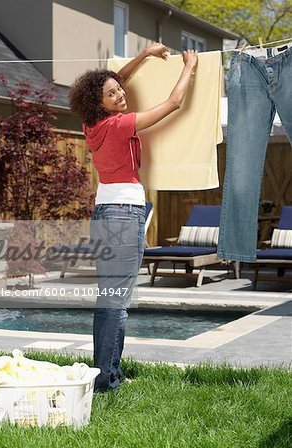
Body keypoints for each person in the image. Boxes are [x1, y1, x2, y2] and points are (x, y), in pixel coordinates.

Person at [69, 43, 198, 393]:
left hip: (105, 213)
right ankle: (107, 380)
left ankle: (106, 372)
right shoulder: (120, 125)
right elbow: (173, 104)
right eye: (112, 94)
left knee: (108, 298)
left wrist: (143, 55)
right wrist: (190, 66)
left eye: (119, 89)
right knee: (117, 302)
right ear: (102, 103)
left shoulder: (91, 123)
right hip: (124, 215)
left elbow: (113, 80)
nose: (121, 93)